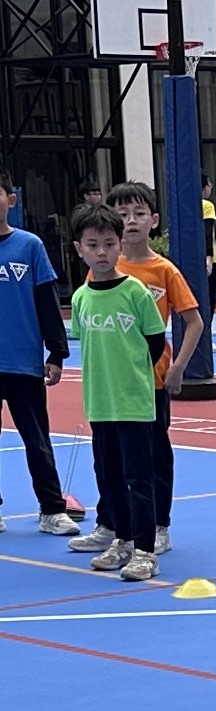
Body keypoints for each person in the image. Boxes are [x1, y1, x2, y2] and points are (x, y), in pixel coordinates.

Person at [68, 182, 203, 559]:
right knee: (109, 462)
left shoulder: (162, 271)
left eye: (139, 213)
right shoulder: (98, 273)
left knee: (151, 458)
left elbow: (193, 321)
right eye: (123, 214)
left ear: (153, 220)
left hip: (150, 383)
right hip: (110, 387)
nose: (130, 220)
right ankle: (111, 525)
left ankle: (158, 526)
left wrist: (177, 368)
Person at [69, 203, 167, 582]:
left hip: (134, 403)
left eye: (109, 244)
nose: (102, 252)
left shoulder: (136, 292)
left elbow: (154, 341)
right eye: (93, 245)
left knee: (138, 479)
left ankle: (145, 550)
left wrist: (133, 377)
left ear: (120, 246)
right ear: (79, 249)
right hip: (100, 402)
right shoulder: (81, 297)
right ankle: (122, 540)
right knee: (108, 475)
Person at [0, 166, 80, 537]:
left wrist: (57, 353)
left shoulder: (29, 246)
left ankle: (52, 509)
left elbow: (47, 302)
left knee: (37, 440)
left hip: (23, 364)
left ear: (11, 199)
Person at [201, 172, 216, 320]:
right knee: (210, 298)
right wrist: (209, 256)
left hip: (190, 258)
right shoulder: (207, 205)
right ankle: (206, 329)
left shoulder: (185, 205)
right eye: (209, 183)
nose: (211, 186)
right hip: (208, 257)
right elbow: (207, 231)